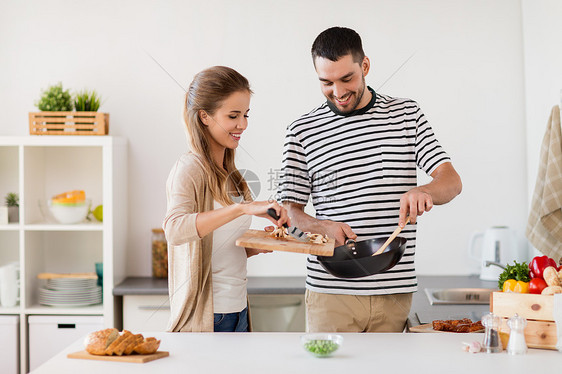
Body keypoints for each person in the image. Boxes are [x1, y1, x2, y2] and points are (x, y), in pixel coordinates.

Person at [279, 27, 462, 333]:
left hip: (394, 292)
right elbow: (289, 215)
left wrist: (425, 190)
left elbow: (451, 181)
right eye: (326, 83)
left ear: (364, 66)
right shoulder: (302, 130)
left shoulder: (406, 114)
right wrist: (321, 227)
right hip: (331, 294)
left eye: (346, 78)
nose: (338, 92)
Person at [163, 66, 289, 332]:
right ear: (205, 117)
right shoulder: (190, 168)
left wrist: (258, 244)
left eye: (245, 115)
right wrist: (243, 209)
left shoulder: (231, 175)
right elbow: (174, 230)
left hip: (238, 311)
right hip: (210, 317)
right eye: (233, 116)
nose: (242, 124)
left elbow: (221, 250)